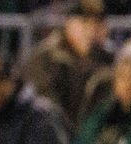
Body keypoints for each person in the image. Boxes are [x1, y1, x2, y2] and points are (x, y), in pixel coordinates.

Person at [21, 0, 113, 132]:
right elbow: (47, 106)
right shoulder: (46, 58)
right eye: (84, 22)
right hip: (53, 137)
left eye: (97, 23)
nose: (91, 31)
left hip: (92, 138)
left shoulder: (109, 60)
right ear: (69, 24)